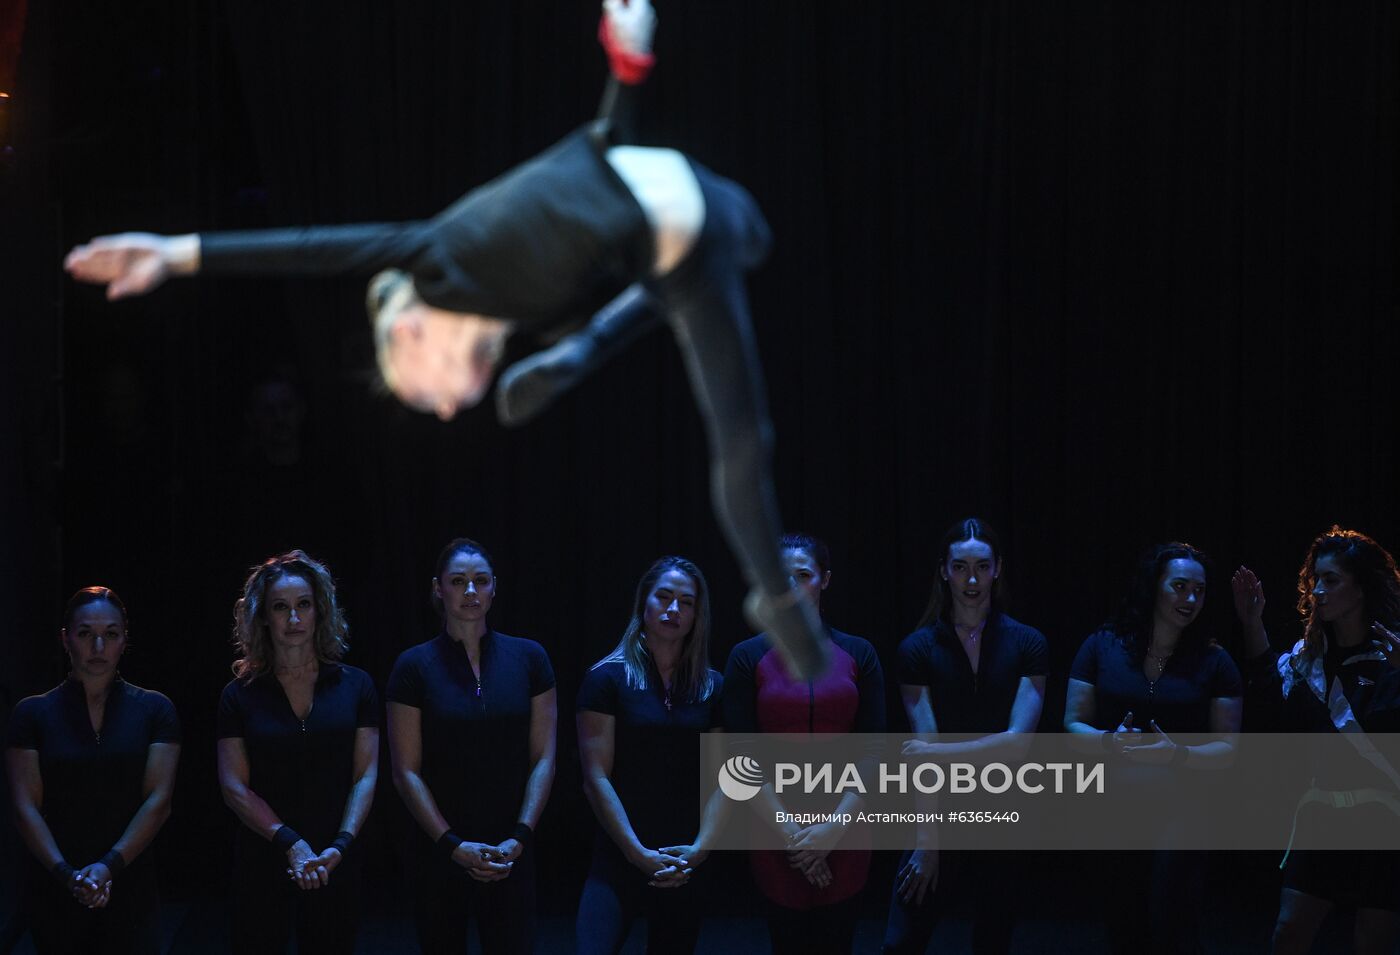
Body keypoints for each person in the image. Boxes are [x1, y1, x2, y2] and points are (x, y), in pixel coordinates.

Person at [61, 0, 828, 682]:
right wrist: (627, 67)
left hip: (691, 218)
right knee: (741, 433)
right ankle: (770, 589)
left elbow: (312, 245)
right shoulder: (520, 307)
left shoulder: (437, 255)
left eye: (426, 393)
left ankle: (578, 356)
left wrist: (177, 252)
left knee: (723, 264)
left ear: (409, 329)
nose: (448, 409)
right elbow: (597, 166)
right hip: (687, 250)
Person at [1065, 541, 1243, 955]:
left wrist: (1177, 754)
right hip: (1114, 809)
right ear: (1154, 587)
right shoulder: (1103, 645)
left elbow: (1228, 748)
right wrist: (1110, 742)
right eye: (1180, 587)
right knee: (1122, 922)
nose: (1191, 599)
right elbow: (1072, 724)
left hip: (1182, 812)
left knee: (1170, 920)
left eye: (1199, 590)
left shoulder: (1215, 662)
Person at [1232, 527, 1400, 955]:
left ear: (1359, 588)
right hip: (1323, 814)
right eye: (1316, 581)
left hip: (1385, 823)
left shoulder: (1391, 658)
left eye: (1332, 580)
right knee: (1288, 933)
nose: (1319, 591)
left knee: (1373, 943)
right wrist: (1252, 623)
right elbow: (1268, 707)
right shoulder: (1306, 661)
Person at [386, 537, 557, 955]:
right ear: (437, 588)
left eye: (480, 581)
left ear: (494, 587)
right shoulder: (413, 666)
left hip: (510, 852)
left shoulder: (530, 658)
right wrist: (453, 846)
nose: (469, 591)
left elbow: (544, 757)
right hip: (439, 853)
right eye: (458, 581)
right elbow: (405, 770)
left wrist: (518, 838)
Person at [885, 517, 1046, 955]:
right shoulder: (918, 649)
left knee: (992, 942)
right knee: (900, 942)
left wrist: (941, 755)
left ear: (998, 569)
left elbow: (1017, 746)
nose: (971, 579)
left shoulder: (1027, 643)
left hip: (1006, 816)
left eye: (981, 566)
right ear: (944, 570)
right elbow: (924, 755)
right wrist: (927, 844)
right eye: (960, 567)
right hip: (940, 813)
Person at [723, 533, 886, 955]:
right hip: (774, 831)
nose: (791, 587)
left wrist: (832, 830)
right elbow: (739, 759)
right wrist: (794, 836)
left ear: (825, 580)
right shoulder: (746, 656)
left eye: (803, 576)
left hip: (847, 829)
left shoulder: (859, 653)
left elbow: (875, 751)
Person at [216, 550, 379, 955]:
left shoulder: (355, 686)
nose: (293, 619)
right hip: (264, 856)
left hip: (334, 857)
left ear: (319, 611)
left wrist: (340, 845)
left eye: (303, 605)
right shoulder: (239, 696)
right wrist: (291, 843)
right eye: (281, 607)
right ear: (263, 617)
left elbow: (365, 775)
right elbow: (234, 787)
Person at [5, 587, 181, 955]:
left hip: (129, 882)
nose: (98, 646)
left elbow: (159, 801)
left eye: (110, 634)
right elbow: (25, 807)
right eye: (86, 633)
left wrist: (107, 867)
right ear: (66, 639)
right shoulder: (33, 714)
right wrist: (69, 876)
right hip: (57, 882)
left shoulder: (154, 710)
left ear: (124, 640)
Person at [576, 555, 726, 955]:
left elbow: (726, 782)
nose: (674, 609)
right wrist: (636, 853)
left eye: (686, 602)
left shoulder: (713, 686)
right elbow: (596, 778)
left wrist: (700, 850)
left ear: (697, 614)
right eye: (664, 597)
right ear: (644, 602)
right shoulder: (606, 677)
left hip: (685, 858)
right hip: (620, 853)